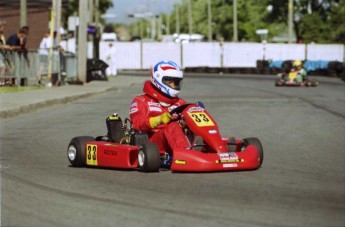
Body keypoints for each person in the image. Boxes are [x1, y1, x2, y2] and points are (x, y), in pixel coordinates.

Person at [129, 60, 190, 156]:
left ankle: (213, 148)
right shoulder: (141, 101)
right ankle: (186, 154)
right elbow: (137, 123)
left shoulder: (180, 103)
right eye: (171, 82)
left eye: (177, 82)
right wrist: (159, 119)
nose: (175, 86)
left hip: (177, 139)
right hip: (152, 144)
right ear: (159, 80)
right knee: (171, 126)